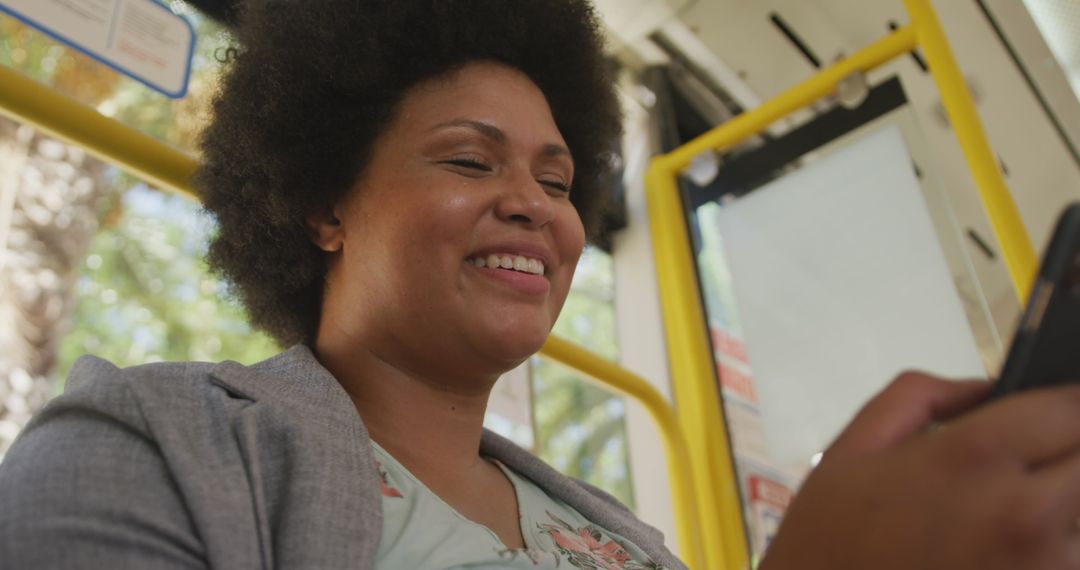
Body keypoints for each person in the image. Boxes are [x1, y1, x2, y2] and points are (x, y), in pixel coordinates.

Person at [2, 1, 1080, 569]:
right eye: (472, 161)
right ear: (326, 206)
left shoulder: (627, 538)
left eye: (558, 180)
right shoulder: (146, 448)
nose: (536, 204)